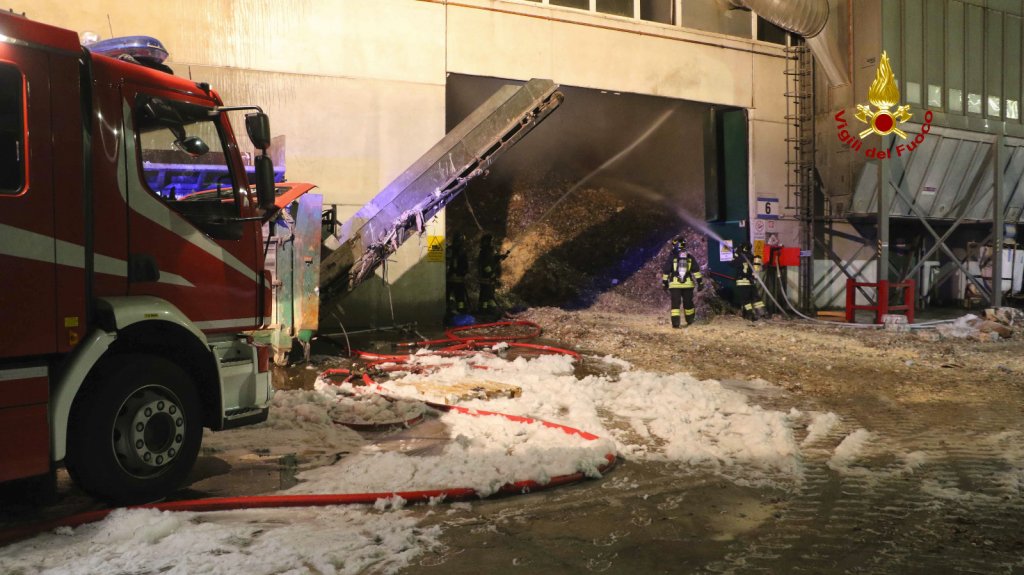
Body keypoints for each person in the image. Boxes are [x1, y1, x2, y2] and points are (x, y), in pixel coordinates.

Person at [661, 236, 704, 328]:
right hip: (688, 285)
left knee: (675, 304)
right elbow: (696, 271)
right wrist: (700, 283)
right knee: (688, 303)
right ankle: (690, 321)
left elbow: (666, 271)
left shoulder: (672, 257)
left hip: (675, 285)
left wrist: (665, 283)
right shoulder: (690, 257)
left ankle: (676, 324)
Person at [477, 233, 510, 320]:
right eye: (490, 241)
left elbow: (494, 257)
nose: (492, 242)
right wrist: (491, 274)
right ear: (486, 241)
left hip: (490, 278)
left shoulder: (491, 250)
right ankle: (483, 312)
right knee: (485, 296)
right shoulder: (484, 252)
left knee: (489, 295)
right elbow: (484, 265)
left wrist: (501, 256)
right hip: (486, 278)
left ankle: (490, 310)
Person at [733, 241, 767, 321]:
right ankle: (762, 313)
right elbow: (758, 268)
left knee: (746, 300)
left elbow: (731, 263)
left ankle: (750, 314)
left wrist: (736, 253)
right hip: (751, 282)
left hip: (742, 282)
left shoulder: (740, 258)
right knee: (756, 298)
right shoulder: (753, 257)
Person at [445, 232, 469, 323]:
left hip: (451, 278)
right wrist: (462, 272)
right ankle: (459, 311)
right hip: (456, 278)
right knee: (459, 297)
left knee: (456, 297)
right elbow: (464, 265)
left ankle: (453, 311)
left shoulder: (450, 250)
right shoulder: (461, 251)